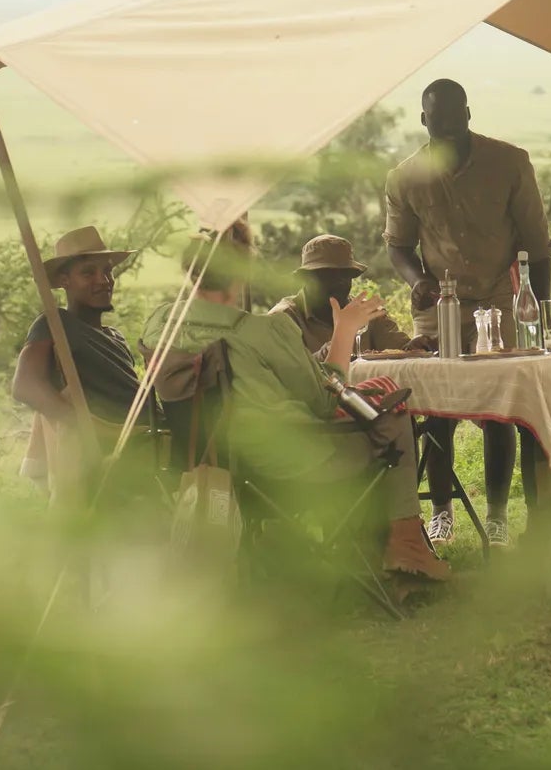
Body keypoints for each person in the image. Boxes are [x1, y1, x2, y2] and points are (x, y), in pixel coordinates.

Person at [144, 224, 449, 583]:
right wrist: (345, 330)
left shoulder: (159, 324)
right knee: (392, 422)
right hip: (286, 466)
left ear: (191, 270)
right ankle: (403, 548)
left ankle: (366, 548)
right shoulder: (264, 331)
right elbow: (322, 401)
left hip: (216, 464)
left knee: (376, 415)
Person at [384, 78, 551, 548]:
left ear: (469, 114)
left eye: (455, 115)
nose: (447, 125)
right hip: (440, 299)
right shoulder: (404, 177)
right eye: (437, 118)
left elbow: (538, 248)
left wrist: (540, 315)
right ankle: (441, 512)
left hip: (500, 295)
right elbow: (398, 247)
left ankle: (496, 516)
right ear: (424, 120)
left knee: (499, 409)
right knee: (437, 409)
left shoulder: (509, 162)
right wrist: (418, 281)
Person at [10, 225, 146, 499]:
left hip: (148, 438)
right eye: (88, 272)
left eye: (107, 270)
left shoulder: (116, 337)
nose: (104, 280)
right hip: (113, 453)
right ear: (64, 280)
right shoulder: (55, 323)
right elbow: (24, 385)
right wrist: (89, 427)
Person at [268, 234, 409, 357]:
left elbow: (402, 351)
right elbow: (285, 373)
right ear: (306, 278)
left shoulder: (367, 313)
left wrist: (417, 346)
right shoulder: (283, 319)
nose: (339, 282)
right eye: (328, 275)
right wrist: (332, 349)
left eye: (346, 274)